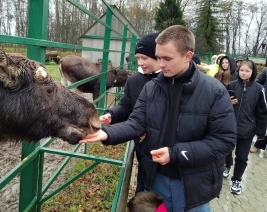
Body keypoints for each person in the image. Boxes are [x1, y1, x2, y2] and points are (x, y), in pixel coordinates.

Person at [80, 25, 237, 211]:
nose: (161, 64)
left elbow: (224, 141)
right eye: (159, 57)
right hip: (157, 180)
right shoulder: (152, 87)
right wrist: (106, 133)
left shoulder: (215, 91)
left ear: (187, 56)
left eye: (167, 59)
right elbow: (137, 122)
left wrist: (176, 153)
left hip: (193, 186)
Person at [99, 32, 161, 193]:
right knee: (144, 190)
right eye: (138, 58)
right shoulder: (134, 81)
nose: (140, 63)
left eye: (144, 58)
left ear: (157, 55)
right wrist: (111, 115)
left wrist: (148, 130)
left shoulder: (168, 81)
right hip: (143, 150)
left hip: (165, 152)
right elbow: (126, 107)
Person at [224, 60, 267, 194]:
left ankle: (236, 180)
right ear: (238, 70)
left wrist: (261, 133)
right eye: (242, 70)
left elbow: (262, 112)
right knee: (225, 152)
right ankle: (227, 165)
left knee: (242, 156)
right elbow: (220, 106)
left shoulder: (259, 89)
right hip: (229, 127)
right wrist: (228, 102)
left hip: (247, 130)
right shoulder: (231, 85)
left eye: (247, 71)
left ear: (253, 72)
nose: (244, 73)